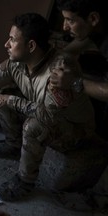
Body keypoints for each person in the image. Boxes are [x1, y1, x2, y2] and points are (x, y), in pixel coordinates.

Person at [0, 12, 95, 201]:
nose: (6, 44)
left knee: (32, 124)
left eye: (12, 40)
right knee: (2, 96)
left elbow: (47, 116)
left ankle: (25, 181)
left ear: (31, 46)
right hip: (46, 114)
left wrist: (9, 100)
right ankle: (14, 146)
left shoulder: (59, 71)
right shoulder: (16, 62)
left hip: (76, 130)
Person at [49, 0, 108, 211]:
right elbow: (71, 49)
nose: (64, 27)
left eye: (70, 21)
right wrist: (60, 59)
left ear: (93, 18)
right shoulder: (94, 31)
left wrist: (74, 82)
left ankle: (99, 199)